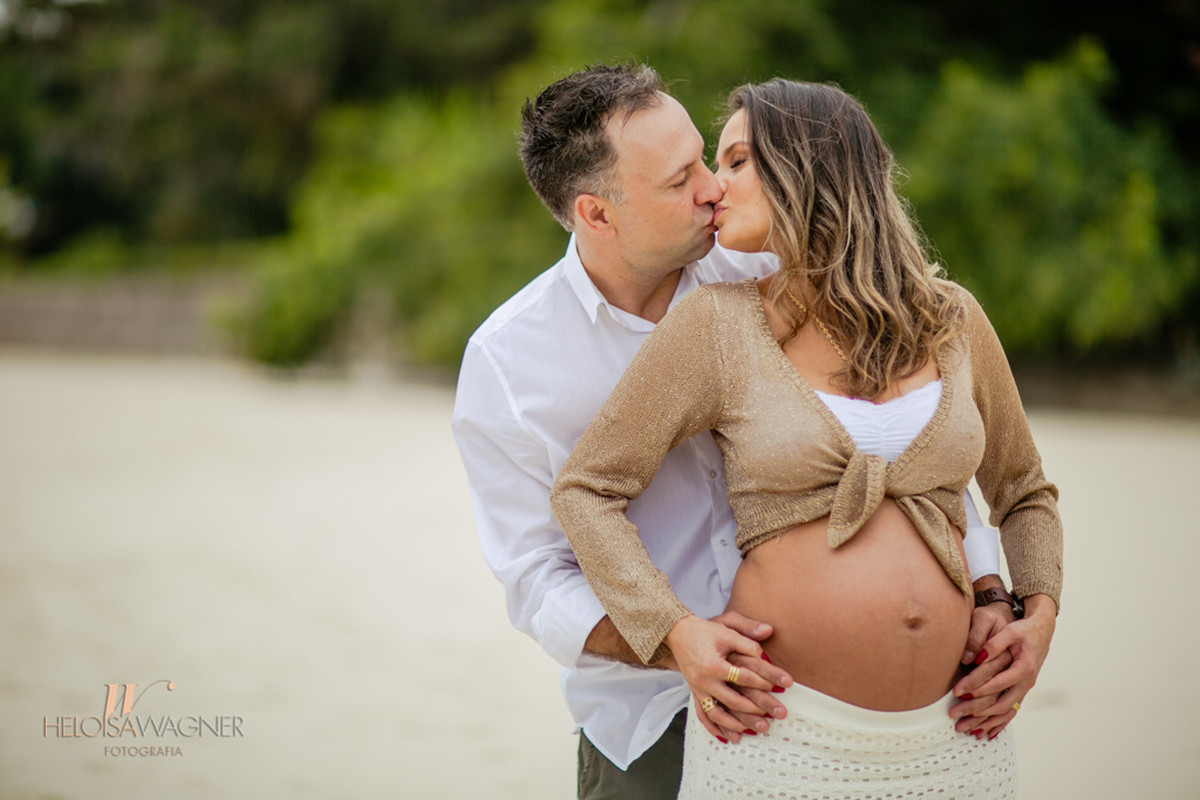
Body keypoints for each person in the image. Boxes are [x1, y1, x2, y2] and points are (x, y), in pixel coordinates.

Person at [453, 65, 1021, 800]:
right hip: (647, 717)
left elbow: (908, 445)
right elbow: (536, 578)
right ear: (597, 214)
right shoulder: (510, 363)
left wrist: (991, 593)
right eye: (680, 177)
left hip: (850, 712)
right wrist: (680, 641)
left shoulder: (772, 258)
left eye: (709, 157)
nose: (713, 188)